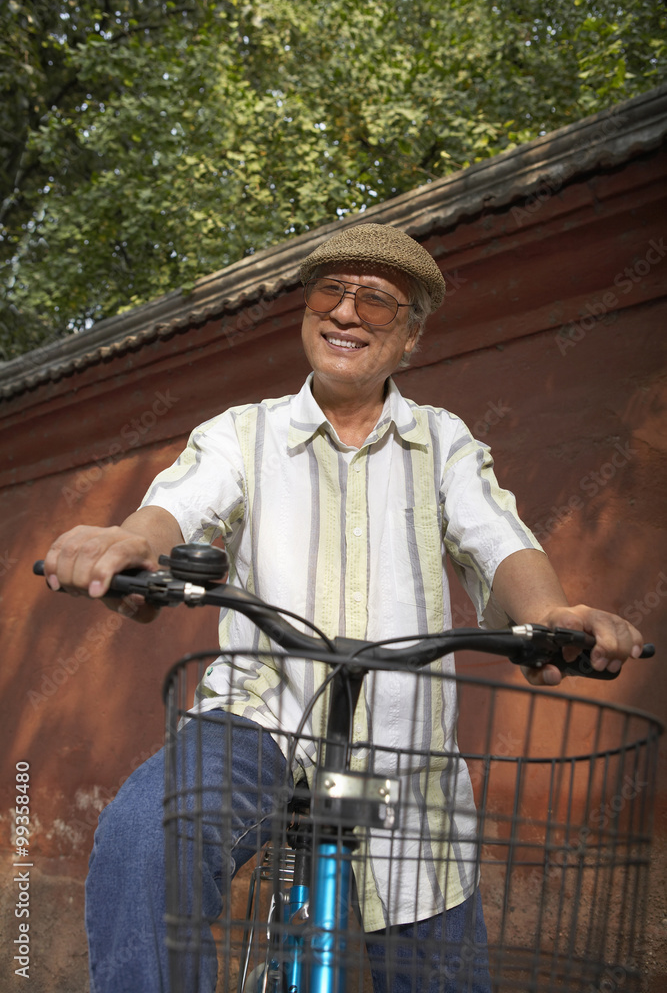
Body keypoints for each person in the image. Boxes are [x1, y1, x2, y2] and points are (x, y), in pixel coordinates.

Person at [44, 223, 644, 993]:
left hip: (407, 757)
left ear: (412, 337)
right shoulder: (242, 432)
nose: (346, 314)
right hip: (259, 725)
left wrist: (551, 612)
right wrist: (127, 542)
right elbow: (179, 505)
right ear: (306, 311)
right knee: (148, 832)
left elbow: (496, 541)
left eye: (377, 302)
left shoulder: (443, 442)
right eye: (329, 292)